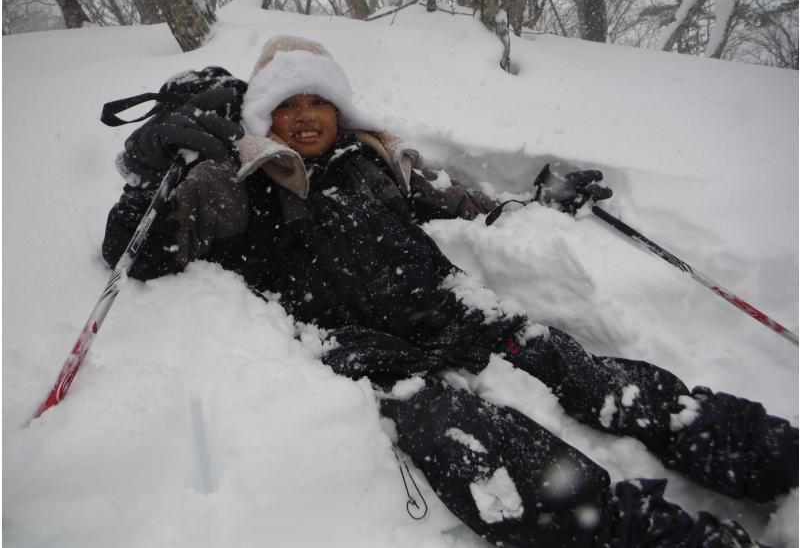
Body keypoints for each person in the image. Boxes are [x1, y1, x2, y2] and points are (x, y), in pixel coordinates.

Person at [103, 35, 797, 547]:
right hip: (373, 357)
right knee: (468, 441)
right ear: (264, 117)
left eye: (321, 101)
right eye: (290, 104)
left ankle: (767, 452)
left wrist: (537, 196)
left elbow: (472, 206)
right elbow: (141, 254)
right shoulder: (232, 182)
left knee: (586, 372)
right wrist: (149, 172)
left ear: (342, 113)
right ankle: (638, 536)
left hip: (458, 312)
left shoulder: (375, 163)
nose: (308, 116)